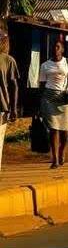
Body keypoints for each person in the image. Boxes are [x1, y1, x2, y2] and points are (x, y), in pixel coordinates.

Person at [40, 35, 68, 168]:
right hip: (49, 97)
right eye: (54, 47)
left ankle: (62, 150)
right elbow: (42, 84)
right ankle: (55, 158)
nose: (55, 49)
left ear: (62, 49)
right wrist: (40, 102)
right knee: (53, 129)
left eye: (58, 47)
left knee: (65, 131)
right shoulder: (45, 65)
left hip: (64, 97)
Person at [0, 33, 18, 175]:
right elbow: (14, 86)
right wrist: (14, 108)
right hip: (2, 107)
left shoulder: (8, 60)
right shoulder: (8, 60)